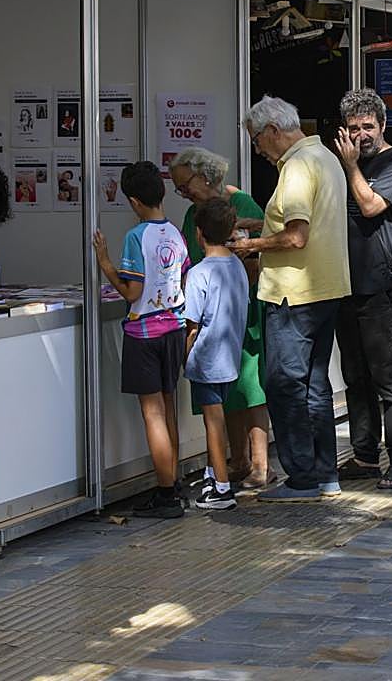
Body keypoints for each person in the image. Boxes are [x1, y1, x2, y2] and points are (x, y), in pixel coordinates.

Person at [230, 96, 350, 502]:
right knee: (315, 385)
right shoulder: (325, 157)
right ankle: (324, 473)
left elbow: (297, 235)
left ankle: (302, 478)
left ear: (272, 131)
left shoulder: (297, 166)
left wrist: (250, 246)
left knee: (284, 384)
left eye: (256, 140)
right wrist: (260, 223)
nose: (258, 150)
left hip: (293, 294)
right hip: (325, 289)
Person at [169, 147, 271, 491]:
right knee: (226, 391)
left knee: (249, 386)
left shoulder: (242, 204)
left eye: (185, 184)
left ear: (204, 175)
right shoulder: (192, 215)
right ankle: (238, 459)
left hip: (240, 311)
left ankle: (261, 464)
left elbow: (260, 254)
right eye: (178, 188)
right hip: (210, 312)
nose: (183, 192)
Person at [93, 161, 190, 519]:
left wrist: (105, 263)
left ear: (134, 201)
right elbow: (182, 278)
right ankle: (173, 481)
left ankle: (165, 494)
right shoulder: (175, 233)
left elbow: (132, 292)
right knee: (169, 407)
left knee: (152, 414)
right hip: (174, 328)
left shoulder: (137, 237)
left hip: (144, 332)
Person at [334, 88, 392, 491]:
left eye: (368, 126)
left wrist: (351, 166)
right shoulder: (342, 165)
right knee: (355, 378)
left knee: (390, 380)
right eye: (353, 128)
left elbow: (370, 206)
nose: (361, 135)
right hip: (344, 286)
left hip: (381, 289)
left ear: (383, 125)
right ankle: (364, 456)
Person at [183, 198, 251, 511]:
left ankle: (222, 488)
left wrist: (185, 357)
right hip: (230, 355)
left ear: (198, 233)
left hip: (206, 358)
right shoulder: (238, 266)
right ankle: (213, 475)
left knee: (213, 423)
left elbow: (192, 325)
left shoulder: (199, 273)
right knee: (218, 417)